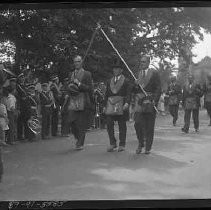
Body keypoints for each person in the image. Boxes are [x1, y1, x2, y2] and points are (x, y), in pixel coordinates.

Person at [132, 55, 161, 154]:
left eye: (144, 62)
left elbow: (158, 88)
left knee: (149, 125)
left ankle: (148, 147)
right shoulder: (137, 74)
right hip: (139, 102)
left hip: (150, 101)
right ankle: (141, 143)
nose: (142, 63)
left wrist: (155, 100)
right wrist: (135, 85)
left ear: (148, 62)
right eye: (141, 61)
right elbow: (135, 90)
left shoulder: (154, 73)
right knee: (137, 124)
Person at [66, 55, 94, 150]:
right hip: (73, 100)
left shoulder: (87, 74)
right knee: (72, 121)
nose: (76, 63)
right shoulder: (71, 74)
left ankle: (80, 143)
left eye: (78, 61)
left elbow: (89, 88)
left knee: (81, 123)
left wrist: (79, 84)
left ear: (81, 62)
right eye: (75, 62)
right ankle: (78, 137)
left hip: (83, 99)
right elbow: (69, 86)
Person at [104, 64, 131, 152]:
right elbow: (106, 94)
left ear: (121, 70)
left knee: (122, 125)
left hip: (121, 104)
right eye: (114, 68)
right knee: (109, 123)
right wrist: (104, 106)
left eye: (117, 69)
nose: (115, 70)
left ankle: (122, 144)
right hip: (111, 104)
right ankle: (112, 143)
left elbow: (128, 93)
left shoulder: (126, 81)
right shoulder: (109, 81)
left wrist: (127, 102)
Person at [16, 73, 28, 142]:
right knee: (20, 122)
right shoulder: (17, 86)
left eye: (23, 77)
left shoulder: (25, 86)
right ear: (19, 79)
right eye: (21, 77)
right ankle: (20, 136)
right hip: (20, 105)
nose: (22, 79)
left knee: (26, 121)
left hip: (26, 106)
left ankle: (26, 135)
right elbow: (17, 96)